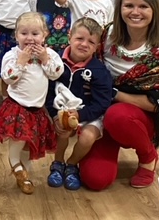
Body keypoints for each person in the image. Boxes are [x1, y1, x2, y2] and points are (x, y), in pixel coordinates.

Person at [79, 0, 159, 190]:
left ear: (154, 9)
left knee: (117, 116)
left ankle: (148, 157)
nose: (135, 12)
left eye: (143, 6)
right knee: (95, 179)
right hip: (101, 113)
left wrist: (111, 93)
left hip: (135, 117)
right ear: (120, 8)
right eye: (129, 6)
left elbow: (156, 104)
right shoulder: (106, 35)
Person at [0, 12, 64, 195]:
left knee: (29, 144)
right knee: (18, 141)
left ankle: (24, 174)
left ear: (44, 35)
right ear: (16, 36)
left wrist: (45, 59)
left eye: (35, 33)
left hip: (37, 110)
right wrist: (20, 62)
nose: (30, 38)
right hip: (17, 108)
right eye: (24, 33)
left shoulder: (50, 55)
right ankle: (17, 167)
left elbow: (56, 73)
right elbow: (8, 78)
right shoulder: (12, 55)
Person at [44, 18, 112, 190]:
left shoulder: (99, 71)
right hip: (63, 111)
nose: (84, 44)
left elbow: (102, 102)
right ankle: (58, 163)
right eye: (79, 38)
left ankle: (72, 164)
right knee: (63, 130)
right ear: (69, 37)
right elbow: (48, 92)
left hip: (91, 113)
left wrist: (81, 115)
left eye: (91, 42)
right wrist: (54, 115)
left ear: (97, 46)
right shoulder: (56, 63)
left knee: (87, 137)